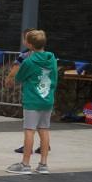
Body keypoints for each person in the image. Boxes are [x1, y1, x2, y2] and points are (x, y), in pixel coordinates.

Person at [6, 29, 57, 174]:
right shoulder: (52, 59)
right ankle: (43, 165)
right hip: (47, 98)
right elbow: (55, 79)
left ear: (29, 44)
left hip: (32, 100)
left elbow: (19, 78)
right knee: (44, 130)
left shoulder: (29, 61)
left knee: (29, 131)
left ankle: (25, 164)